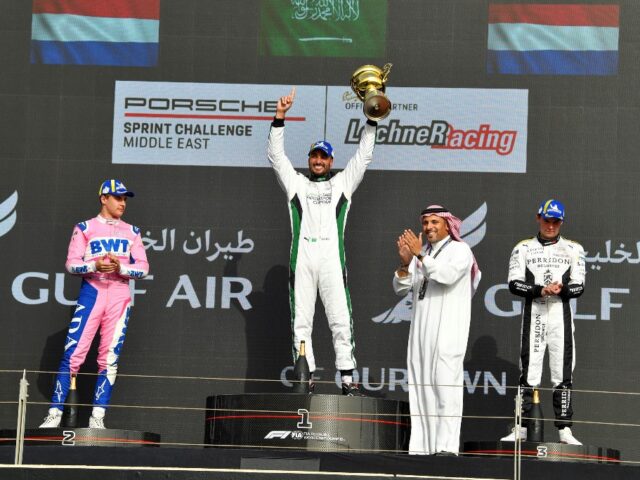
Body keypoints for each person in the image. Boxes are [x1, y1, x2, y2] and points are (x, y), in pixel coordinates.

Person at [267, 87, 377, 395]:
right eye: (314, 156)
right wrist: (279, 117)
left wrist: (372, 119)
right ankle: (306, 377)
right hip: (302, 259)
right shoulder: (296, 184)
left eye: (323, 157)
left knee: (341, 319)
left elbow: (364, 156)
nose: (318, 161)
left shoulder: (342, 183)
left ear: (331, 161)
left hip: (331, 259)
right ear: (309, 159)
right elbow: (276, 157)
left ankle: (348, 380)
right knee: (301, 321)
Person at [40, 179, 149, 429]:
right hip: (92, 293)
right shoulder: (84, 228)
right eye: (118, 197)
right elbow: (71, 264)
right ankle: (55, 413)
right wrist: (94, 265)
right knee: (73, 354)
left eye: (125, 199)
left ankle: (97, 417)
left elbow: (143, 268)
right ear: (103, 198)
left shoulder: (132, 231)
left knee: (109, 358)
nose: (122, 203)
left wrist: (121, 268)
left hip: (120, 297)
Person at [393, 205, 481, 455]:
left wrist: (419, 255)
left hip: (448, 330)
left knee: (445, 387)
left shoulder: (460, 250)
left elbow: (446, 275)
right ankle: (422, 449)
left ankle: (446, 448)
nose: (429, 227)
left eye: (434, 222)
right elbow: (401, 288)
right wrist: (405, 263)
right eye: (425, 223)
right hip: (421, 332)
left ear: (447, 225)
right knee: (421, 388)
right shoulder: (423, 253)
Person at [501, 199, 585, 445]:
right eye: (547, 220)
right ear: (538, 217)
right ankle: (521, 427)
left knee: (562, 372)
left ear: (562, 222)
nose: (551, 225)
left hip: (560, 315)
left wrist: (561, 289)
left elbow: (579, 285)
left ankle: (565, 430)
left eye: (556, 221)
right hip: (535, 314)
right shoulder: (523, 248)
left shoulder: (573, 248)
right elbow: (514, 283)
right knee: (529, 372)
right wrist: (540, 290)